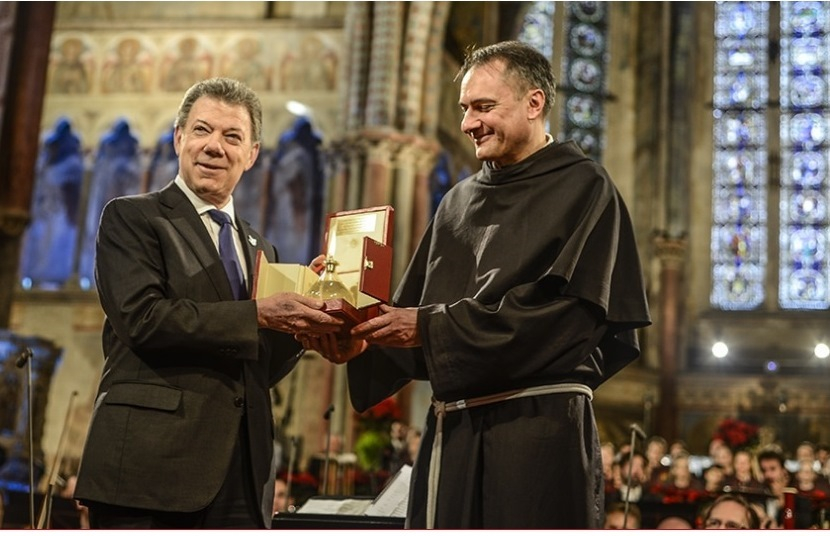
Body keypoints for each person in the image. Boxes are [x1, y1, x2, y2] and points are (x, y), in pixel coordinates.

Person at [305, 40, 651, 528]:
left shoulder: (587, 188)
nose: (469, 123)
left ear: (534, 103)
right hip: (454, 432)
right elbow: (414, 321)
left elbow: (566, 322)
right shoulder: (457, 203)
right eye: (465, 108)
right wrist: (359, 340)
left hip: (537, 432)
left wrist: (428, 327)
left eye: (484, 107)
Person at [73, 77, 344, 529]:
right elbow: (143, 319)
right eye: (202, 130)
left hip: (242, 472)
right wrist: (259, 314)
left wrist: (304, 326)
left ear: (252, 154)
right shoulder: (133, 217)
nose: (214, 146)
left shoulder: (262, 249)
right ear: (178, 138)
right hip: (150, 468)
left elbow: (257, 365)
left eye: (232, 136)